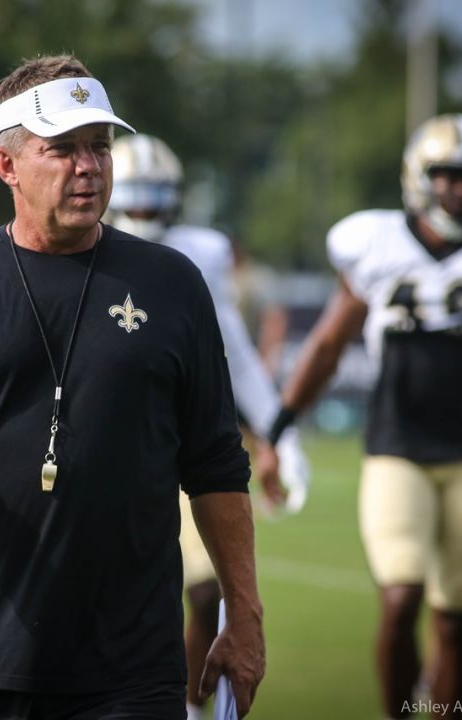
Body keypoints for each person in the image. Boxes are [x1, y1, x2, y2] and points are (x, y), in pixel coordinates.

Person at [0, 54, 265, 720]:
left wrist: (243, 615)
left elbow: (216, 462)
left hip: (134, 671)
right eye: (64, 149)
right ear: (7, 165)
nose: (89, 166)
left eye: (100, 147)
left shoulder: (173, 285)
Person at [261, 114, 462, 719]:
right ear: (420, 178)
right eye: (449, 177)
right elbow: (330, 344)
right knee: (400, 597)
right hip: (396, 449)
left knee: (456, 622)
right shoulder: (377, 244)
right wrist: (280, 427)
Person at [106, 133, 310, 720]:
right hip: (109, 445)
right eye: (135, 198)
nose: (143, 212)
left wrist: (281, 432)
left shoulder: (201, 252)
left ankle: (191, 710)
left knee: (204, 589)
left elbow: (234, 352)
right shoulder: (81, 248)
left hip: (184, 442)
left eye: (154, 198)